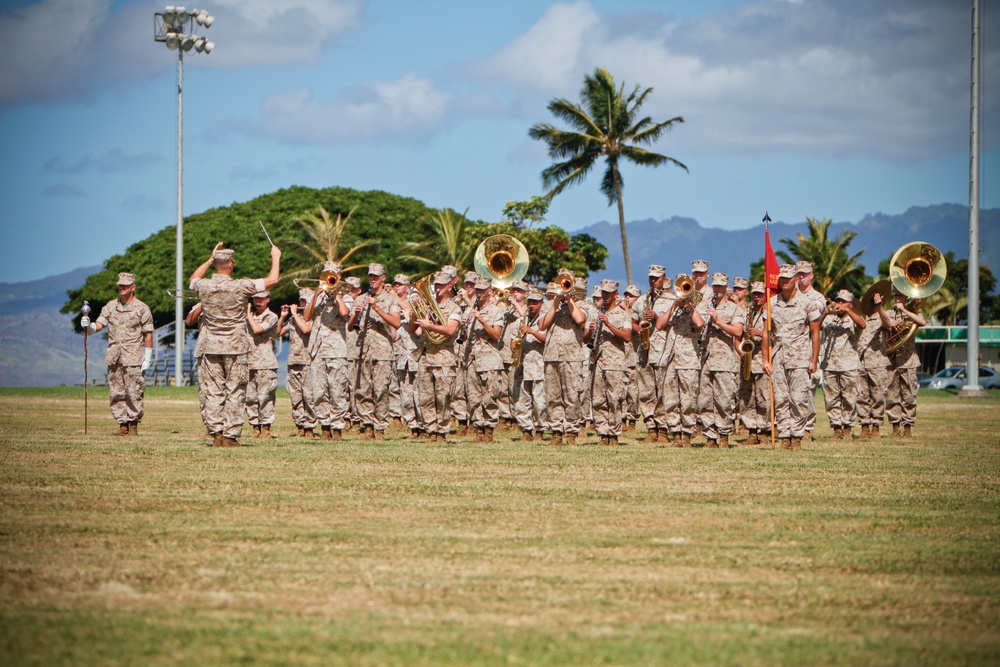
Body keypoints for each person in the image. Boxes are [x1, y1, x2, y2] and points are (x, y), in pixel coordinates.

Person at [189, 242, 281, 447]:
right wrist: (275, 257)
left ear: (217, 264)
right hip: (235, 346)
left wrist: (209, 259)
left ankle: (216, 434)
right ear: (230, 264)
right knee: (235, 390)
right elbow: (272, 280)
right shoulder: (240, 286)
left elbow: (192, 280)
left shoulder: (204, 285)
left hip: (209, 345)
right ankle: (230, 436)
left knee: (213, 391)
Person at [81, 272, 154, 436]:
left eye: (125, 286)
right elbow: (100, 324)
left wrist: (148, 357)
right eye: (120, 285)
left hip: (134, 355)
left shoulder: (142, 308)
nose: (122, 288)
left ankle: (133, 424)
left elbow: (148, 334)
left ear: (133, 287)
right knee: (116, 391)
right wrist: (89, 327)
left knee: (134, 390)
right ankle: (122, 424)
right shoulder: (110, 307)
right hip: (115, 355)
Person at [762, 264, 821, 450]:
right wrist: (765, 359)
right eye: (782, 279)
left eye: (788, 278)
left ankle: (797, 436)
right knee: (780, 398)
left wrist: (813, 360)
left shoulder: (808, 303)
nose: (785, 282)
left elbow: (815, 334)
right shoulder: (772, 303)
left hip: (800, 358)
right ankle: (784, 437)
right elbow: (765, 333)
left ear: (796, 279)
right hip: (778, 358)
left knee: (799, 398)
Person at [349, 262, 402, 440]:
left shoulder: (390, 300)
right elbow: (349, 327)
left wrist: (377, 308)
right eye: (370, 276)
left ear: (383, 278)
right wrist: (356, 314)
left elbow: (396, 323)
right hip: (362, 350)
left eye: (376, 277)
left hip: (382, 353)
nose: (372, 279)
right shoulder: (360, 298)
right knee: (363, 390)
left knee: (381, 390)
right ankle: (368, 426)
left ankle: (380, 427)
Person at [411, 270, 463, 443]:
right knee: (425, 397)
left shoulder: (454, 308)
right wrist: (414, 312)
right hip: (426, 356)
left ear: (450, 286)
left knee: (443, 398)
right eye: (436, 285)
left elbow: (450, 330)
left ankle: (441, 432)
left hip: (444, 358)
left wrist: (430, 325)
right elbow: (412, 328)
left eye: (442, 285)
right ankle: (430, 431)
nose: (438, 288)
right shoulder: (428, 304)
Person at [303, 262, 352, 441]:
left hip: (337, 350)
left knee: (337, 391)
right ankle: (324, 427)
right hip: (317, 350)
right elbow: (307, 317)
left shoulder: (345, 296)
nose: (329, 279)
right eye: (326, 276)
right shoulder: (318, 298)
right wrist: (316, 294)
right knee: (319, 391)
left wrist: (336, 294)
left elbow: (345, 313)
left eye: (332, 277)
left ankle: (337, 428)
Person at [538, 269, 588, 446]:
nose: (564, 285)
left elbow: (580, 320)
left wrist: (569, 299)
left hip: (572, 357)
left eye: (567, 282)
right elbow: (542, 325)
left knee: (572, 395)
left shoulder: (582, 305)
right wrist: (555, 303)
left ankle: (572, 432)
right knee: (553, 396)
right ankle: (557, 432)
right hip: (551, 355)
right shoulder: (548, 305)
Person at [697, 273, 746, 448]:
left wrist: (717, 321)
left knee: (724, 400)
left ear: (726, 288)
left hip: (724, 361)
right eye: (715, 286)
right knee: (705, 400)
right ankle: (710, 437)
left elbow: (738, 332)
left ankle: (724, 435)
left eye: (720, 287)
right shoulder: (703, 305)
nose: (717, 290)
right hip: (705, 359)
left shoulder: (734, 309)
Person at [656, 274, 704, 447]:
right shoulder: (673, 308)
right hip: (671, 359)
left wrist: (689, 304)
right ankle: (676, 434)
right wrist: (674, 305)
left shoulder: (698, 306)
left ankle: (688, 434)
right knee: (670, 398)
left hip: (689, 360)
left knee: (689, 399)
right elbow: (659, 325)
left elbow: (699, 324)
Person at [588, 279, 633, 446]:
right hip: (597, 360)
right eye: (602, 293)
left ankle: (614, 434)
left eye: (607, 293)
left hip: (614, 362)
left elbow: (627, 337)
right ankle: (603, 434)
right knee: (598, 399)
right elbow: (586, 338)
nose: (604, 296)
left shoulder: (622, 315)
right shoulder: (595, 312)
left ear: (615, 295)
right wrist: (591, 330)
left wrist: (609, 324)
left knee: (614, 398)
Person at [633, 265, 673, 443]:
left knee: (662, 391)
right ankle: (651, 428)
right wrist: (639, 329)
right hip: (644, 350)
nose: (653, 280)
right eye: (651, 277)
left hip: (663, 350)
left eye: (657, 277)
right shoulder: (642, 300)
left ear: (664, 278)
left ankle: (663, 428)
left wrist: (657, 318)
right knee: (646, 391)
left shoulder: (672, 300)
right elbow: (633, 322)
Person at [463, 276, 506, 442]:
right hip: (473, 359)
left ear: (490, 291)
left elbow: (496, 335)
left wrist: (482, 320)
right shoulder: (469, 310)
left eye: (482, 290)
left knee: (489, 397)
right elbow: (466, 337)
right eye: (477, 290)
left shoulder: (496, 311)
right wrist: (463, 327)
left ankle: (489, 431)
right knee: (474, 397)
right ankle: (478, 430)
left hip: (489, 361)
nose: (479, 293)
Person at [819, 289, 866, 439]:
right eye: (838, 301)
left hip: (849, 364)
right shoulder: (829, 319)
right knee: (831, 398)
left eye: (843, 302)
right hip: (829, 364)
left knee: (849, 397)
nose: (839, 304)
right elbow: (816, 327)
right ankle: (836, 428)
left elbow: (862, 324)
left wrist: (847, 310)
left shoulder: (853, 319)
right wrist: (824, 313)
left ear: (850, 305)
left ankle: (847, 427)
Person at [882, 291, 927, 437]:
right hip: (891, 361)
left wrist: (904, 310)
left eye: (900, 296)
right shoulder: (888, 313)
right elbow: (881, 324)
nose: (897, 298)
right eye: (895, 296)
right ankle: (895, 427)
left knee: (909, 395)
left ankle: (908, 427)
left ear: (906, 297)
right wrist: (890, 324)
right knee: (892, 396)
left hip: (908, 360)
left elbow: (922, 322)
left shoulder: (912, 312)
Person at [277, 288, 316, 438]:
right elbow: (278, 333)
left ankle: (310, 428)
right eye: (301, 301)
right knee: (295, 396)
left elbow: (306, 330)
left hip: (308, 362)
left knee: (309, 396)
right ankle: (300, 426)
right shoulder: (294, 319)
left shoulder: (314, 317)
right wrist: (283, 317)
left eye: (306, 301)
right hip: (293, 361)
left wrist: (294, 314)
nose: (302, 304)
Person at [796, 261, 827, 441]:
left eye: (805, 274)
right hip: (792, 351)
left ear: (811, 275)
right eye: (799, 274)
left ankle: (807, 428)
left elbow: (813, 313)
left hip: (808, 351)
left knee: (807, 392)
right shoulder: (791, 295)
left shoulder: (818, 298)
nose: (802, 277)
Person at [512, 288, 548, 441]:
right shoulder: (522, 319)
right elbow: (513, 340)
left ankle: (540, 429)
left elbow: (547, 340)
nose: (531, 305)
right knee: (521, 400)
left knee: (540, 401)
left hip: (539, 365)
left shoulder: (545, 320)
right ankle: (526, 430)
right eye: (530, 302)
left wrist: (532, 332)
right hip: (523, 365)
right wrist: (514, 344)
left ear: (541, 303)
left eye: (535, 302)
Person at [737, 282, 770, 445]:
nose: (757, 297)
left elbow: (777, 336)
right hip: (748, 359)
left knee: (763, 397)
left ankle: (765, 432)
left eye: (760, 294)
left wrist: (760, 333)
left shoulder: (770, 313)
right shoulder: (748, 311)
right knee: (747, 398)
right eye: (754, 294)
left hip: (763, 360)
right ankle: (751, 431)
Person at [245, 290, 279, 438]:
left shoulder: (271, 316)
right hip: (249, 362)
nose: (257, 301)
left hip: (265, 362)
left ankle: (266, 427)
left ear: (267, 300)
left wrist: (247, 315)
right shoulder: (250, 316)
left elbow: (258, 329)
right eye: (255, 298)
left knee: (265, 396)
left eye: (261, 299)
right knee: (250, 397)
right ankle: (255, 427)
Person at [856, 290, 890, 439]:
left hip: (877, 362)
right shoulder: (862, 318)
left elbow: (888, 324)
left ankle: (876, 426)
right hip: (860, 362)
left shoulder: (884, 315)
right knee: (861, 396)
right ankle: (864, 426)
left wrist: (880, 306)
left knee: (878, 396)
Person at [390, 273, 421, 437]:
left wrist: (395, 298)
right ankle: (413, 427)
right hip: (402, 356)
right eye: (395, 284)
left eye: (399, 285)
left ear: (407, 287)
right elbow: (394, 334)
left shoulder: (414, 301)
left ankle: (424, 425)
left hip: (416, 353)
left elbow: (410, 310)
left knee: (419, 393)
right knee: (406, 393)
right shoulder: (393, 305)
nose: (396, 287)